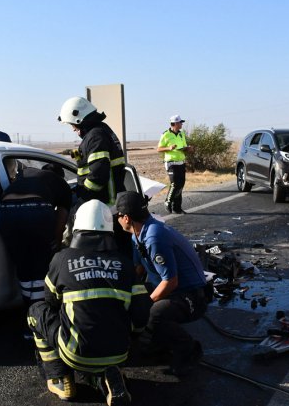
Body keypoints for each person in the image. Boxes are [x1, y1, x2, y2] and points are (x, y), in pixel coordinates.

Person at [27, 199, 151, 405]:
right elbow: (141, 315)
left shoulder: (61, 259)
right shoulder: (125, 264)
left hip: (76, 353)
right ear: (110, 231)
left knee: (35, 311)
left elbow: (50, 301)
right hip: (120, 352)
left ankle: (61, 379)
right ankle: (106, 378)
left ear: (76, 228)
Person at [115, 191, 206, 377]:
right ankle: (157, 342)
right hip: (173, 291)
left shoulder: (154, 237)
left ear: (126, 218)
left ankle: (189, 349)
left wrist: (146, 303)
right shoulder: (137, 235)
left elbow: (171, 281)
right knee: (137, 299)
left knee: (156, 311)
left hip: (192, 296)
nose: (117, 218)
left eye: (118, 215)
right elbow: (138, 270)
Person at [0, 162, 72, 334]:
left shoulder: (27, 173)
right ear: (60, 176)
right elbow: (60, 226)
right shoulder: (62, 186)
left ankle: (29, 317)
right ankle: (37, 325)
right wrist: (54, 251)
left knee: (24, 269)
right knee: (39, 271)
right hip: (36, 211)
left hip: (6, 211)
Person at [57, 96, 126, 207]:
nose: (73, 129)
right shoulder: (98, 132)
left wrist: (83, 196)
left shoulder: (95, 137)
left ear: (79, 119)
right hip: (101, 199)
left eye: (72, 124)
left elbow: (98, 175)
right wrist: (81, 155)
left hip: (103, 202)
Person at [157, 115, 193, 214]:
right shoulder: (165, 134)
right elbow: (159, 149)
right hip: (171, 163)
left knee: (181, 185)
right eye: (180, 122)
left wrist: (188, 148)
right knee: (175, 184)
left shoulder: (181, 134)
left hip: (181, 162)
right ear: (175, 123)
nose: (182, 124)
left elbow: (184, 147)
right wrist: (169, 148)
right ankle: (167, 202)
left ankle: (177, 208)